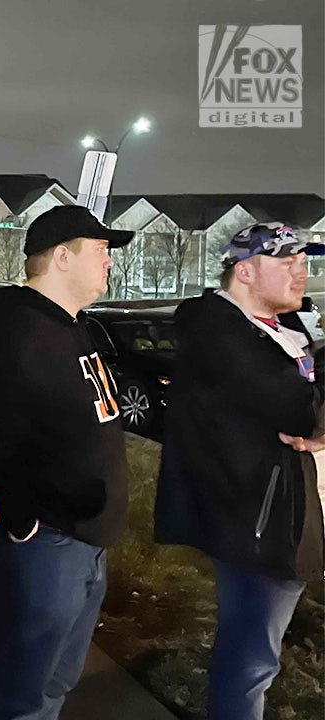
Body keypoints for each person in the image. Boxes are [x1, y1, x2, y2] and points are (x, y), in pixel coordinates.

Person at [0, 205, 134, 720]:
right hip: (45, 548)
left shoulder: (70, 326)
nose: (108, 262)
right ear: (62, 257)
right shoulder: (20, 333)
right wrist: (23, 525)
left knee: (53, 681)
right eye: (100, 251)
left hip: (83, 543)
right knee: (19, 691)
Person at [155, 222, 324, 720]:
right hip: (260, 521)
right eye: (287, 261)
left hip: (280, 509)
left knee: (253, 656)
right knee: (252, 661)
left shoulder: (278, 331)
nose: (303, 272)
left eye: (305, 261)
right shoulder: (220, 333)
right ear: (245, 271)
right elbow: (301, 411)